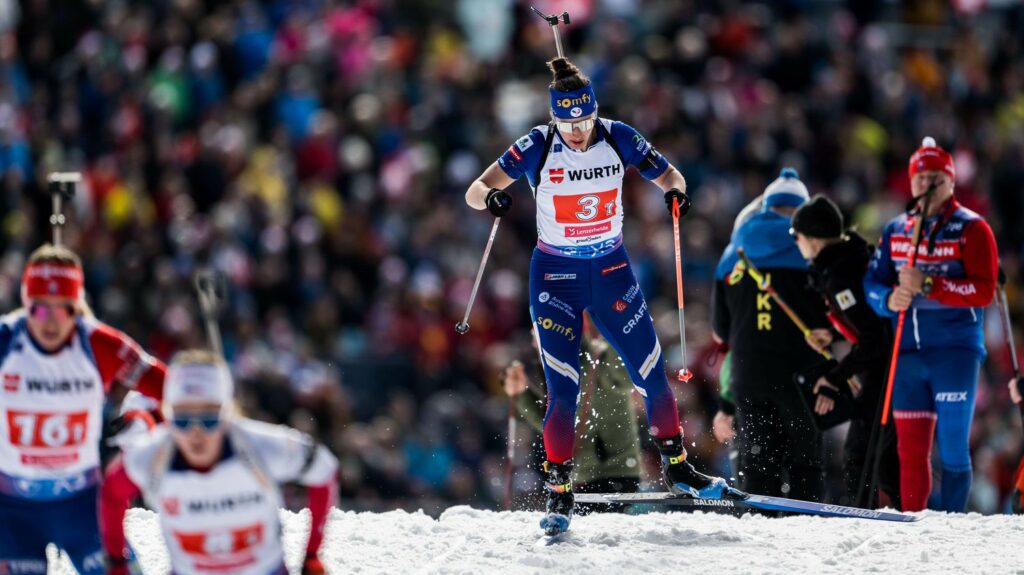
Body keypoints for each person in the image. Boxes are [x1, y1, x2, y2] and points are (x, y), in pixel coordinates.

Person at [464, 57, 740, 534]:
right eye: (567, 123)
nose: (576, 132)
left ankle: (678, 468)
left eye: (584, 121)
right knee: (564, 391)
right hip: (554, 277)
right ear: (555, 118)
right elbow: (475, 189)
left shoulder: (619, 136)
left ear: (595, 112)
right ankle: (560, 492)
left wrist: (676, 194)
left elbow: (671, 176)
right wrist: (492, 198)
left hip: (611, 269)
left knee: (652, 374)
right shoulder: (538, 144)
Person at [0, 244, 167, 575]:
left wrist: (147, 422)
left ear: (77, 307)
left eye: (63, 310)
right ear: (25, 304)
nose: (51, 322)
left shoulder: (100, 344)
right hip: (13, 510)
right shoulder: (5, 339)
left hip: (83, 505)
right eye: (40, 309)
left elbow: (176, 388)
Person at [100, 349, 338, 574]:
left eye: (209, 418)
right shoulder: (151, 456)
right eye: (182, 419)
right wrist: (117, 562)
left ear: (228, 413)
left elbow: (325, 470)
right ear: (167, 415)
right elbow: (111, 492)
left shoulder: (264, 447)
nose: (196, 432)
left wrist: (312, 554)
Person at [864, 137, 998, 512]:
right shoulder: (896, 230)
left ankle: (954, 523)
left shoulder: (972, 228)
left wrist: (931, 284)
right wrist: (890, 300)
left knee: (954, 447)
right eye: (921, 178)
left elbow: (983, 289)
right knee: (911, 450)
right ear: (910, 183)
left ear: (952, 182)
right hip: (907, 350)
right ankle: (914, 525)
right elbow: (873, 283)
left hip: (955, 351)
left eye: (937, 177)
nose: (928, 185)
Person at [711, 168, 829, 503]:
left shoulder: (732, 251)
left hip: (749, 374)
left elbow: (721, 330)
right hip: (802, 376)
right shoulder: (811, 247)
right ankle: (807, 540)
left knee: (758, 467)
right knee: (806, 465)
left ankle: (760, 541)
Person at [791, 195, 901, 508]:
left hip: (886, 369)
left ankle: (863, 520)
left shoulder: (840, 276)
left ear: (812, 239)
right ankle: (902, 516)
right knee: (882, 455)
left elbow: (874, 339)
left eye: (797, 236)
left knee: (861, 454)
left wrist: (835, 378)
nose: (797, 243)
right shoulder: (849, 259)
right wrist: (835, 332)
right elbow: (868, 320)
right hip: (890, 365)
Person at [503, 314, 642, 505]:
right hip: (578, 479)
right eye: (534, 338)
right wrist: (521, 393)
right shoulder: (557, 371)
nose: (535, 344)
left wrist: (611, 330)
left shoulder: (599, 357)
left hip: (615, 475)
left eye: (540, 337)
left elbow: (626, 380)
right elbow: (552, 428)